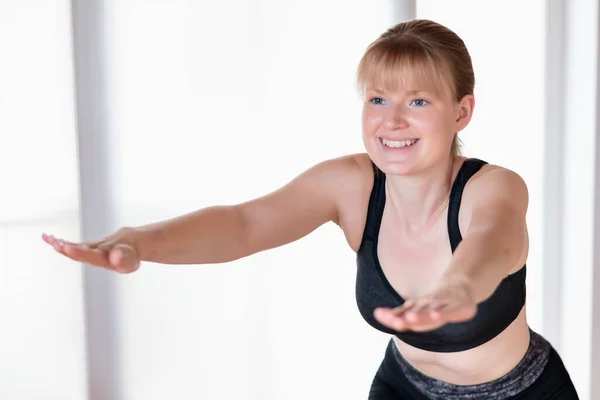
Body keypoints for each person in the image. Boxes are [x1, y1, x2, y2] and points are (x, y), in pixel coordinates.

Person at [43, 19, 579, 399]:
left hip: (521, 393)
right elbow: (244, 225)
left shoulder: (494, 188)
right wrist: (139, 241)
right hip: (403, 387)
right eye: (377, 99)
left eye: (418, 101)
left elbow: (491, 243)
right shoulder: (348, 185)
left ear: (461, 112)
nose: (391, 121)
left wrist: (457, 291)